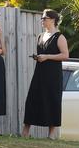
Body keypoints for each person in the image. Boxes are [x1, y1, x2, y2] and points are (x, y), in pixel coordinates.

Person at [22, 9, 69, 139]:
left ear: (53, 20)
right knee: (32, 99)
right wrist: (38, 57)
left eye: (45, 18)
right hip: (39, 73)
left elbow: (65, 55)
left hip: (53, 75)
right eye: (42, 18)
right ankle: (25, 132)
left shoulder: (60, 37)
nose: (42, 20)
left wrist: (47, 57)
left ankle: (51, 135)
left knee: (52, 100)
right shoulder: (40, 36)